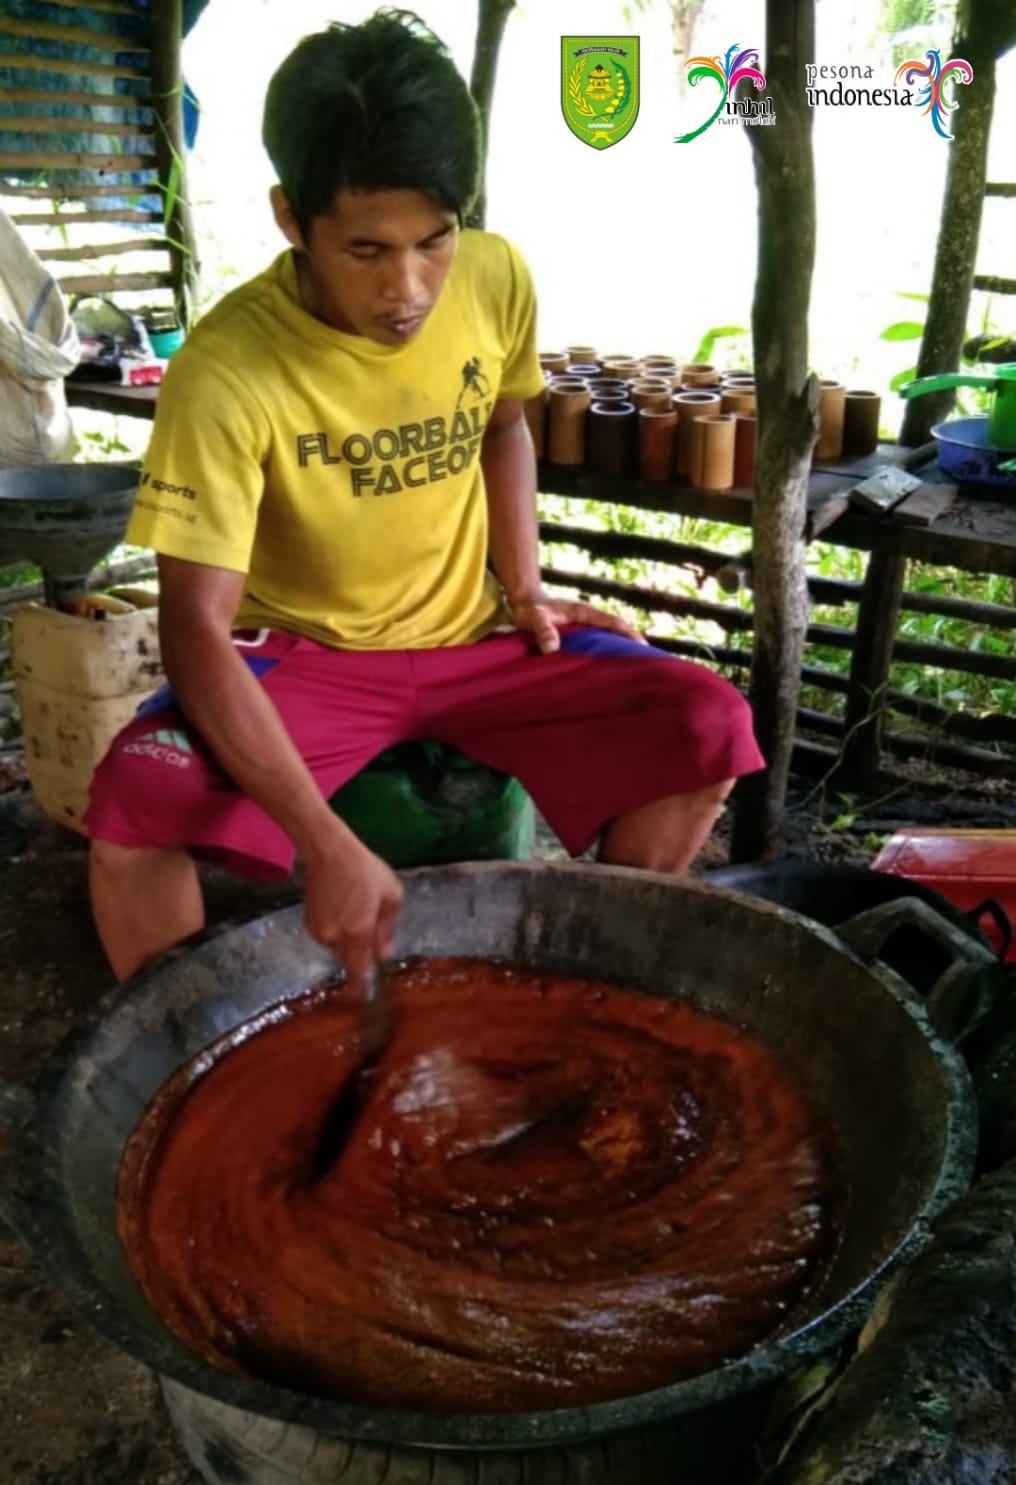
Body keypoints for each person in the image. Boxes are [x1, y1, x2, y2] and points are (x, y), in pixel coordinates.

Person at [84, 8, 764, 993]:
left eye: (432, 241)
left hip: (477, 642)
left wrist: (522, 582)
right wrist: (321, 841)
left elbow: (502, 425)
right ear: (290, 218)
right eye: (365, 251)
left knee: (704, 723)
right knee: (137, 799)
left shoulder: (493, 279)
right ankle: (195, 1048)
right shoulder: (226, 370)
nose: (407, 288)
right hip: (307, 661)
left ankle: (580, 973)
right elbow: (194, 629)